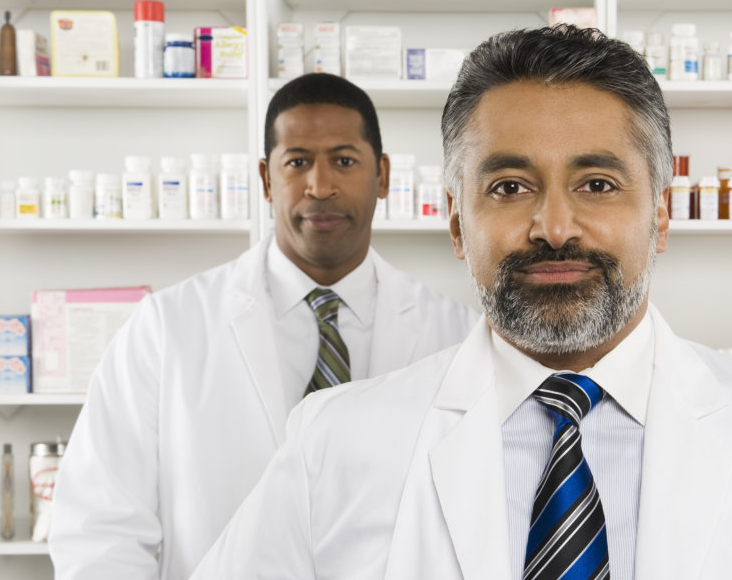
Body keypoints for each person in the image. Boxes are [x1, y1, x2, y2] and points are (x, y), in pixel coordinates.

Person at [188, 26, 732, 580]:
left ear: (663, 215)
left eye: (597, 185)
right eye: (510, 187)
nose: (554, 227)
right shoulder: (336, 444)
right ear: (457, 221)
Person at [49, 73, 476, 580]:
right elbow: (100, 528)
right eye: (297, 162)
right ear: (266, 179)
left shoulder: (456, 333)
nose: (320, 185)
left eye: (344, 160)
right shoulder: (167, 327)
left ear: (383, 176)